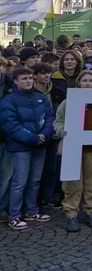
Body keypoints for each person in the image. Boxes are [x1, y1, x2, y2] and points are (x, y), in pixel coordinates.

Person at [52, 70, 92, 232]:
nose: (88, 83)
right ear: (79, 83)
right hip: (72, 147)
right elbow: (58, 121)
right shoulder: (68, 102)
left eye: (91, 81)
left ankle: (91, 211)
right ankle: (71, 213)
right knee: (72, 182)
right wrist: (62, 131)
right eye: (85, 81)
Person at [0, 67, 54, 230]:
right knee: (19, 181)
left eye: (30, 78)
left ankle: (32, 210)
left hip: (40, 144)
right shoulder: (8, 100)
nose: (29, 81)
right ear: (16, 81)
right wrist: (32, 138)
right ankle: (14, 215)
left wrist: (44, 135)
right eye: (24, 78)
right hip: (20, 147)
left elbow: (50, 117)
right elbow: (10, 124)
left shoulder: (40, 97)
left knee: (35, 180)